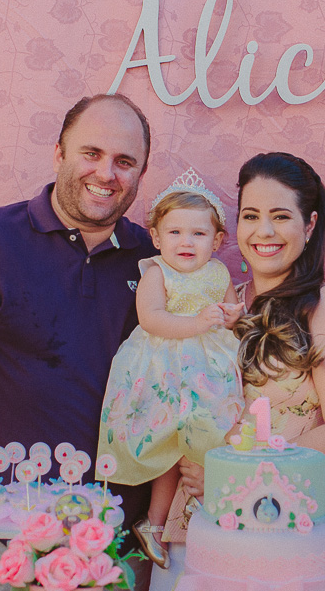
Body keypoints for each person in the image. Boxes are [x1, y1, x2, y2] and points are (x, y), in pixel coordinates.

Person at [0, 94, 157, 591]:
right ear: (59, 153)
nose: (107, 173)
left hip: (113, 544)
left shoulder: (154, 262)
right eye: (91, 153)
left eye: (125, 162)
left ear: (140, 173)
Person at [147, 151, 325, 591]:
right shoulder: (223, 303)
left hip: (275, 526)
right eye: (250, 216)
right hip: (192, 524)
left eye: (280, 216)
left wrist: (234, 473)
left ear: (309, 226)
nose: (263, 232)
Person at [97, 169, 245, 568]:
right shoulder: (156, 273)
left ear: (216, 241)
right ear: (157, 238)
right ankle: (156, 522)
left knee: (207, 442)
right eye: (175, 233)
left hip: (208, 374)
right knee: (170, 445)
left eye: (198, 234)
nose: (186, 242)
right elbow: (151, 319)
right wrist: (197, 323)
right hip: (164, 370)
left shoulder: (218, 273)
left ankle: (202, 523)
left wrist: (232, 315)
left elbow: (231, 313)